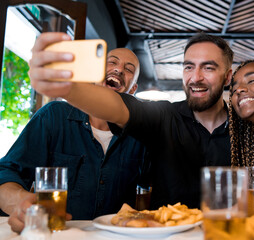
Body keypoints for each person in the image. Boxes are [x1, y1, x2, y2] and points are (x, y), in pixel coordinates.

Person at [29, 32, 234, 209]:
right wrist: (66, 87)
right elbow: (119, 107)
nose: (195, 77)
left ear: (227, 77)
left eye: (208, 68)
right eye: (189, 67)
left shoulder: (245, 130)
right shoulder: (163, 115)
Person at [0, 46, 148, 233]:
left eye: (129, 69)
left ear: (132, 89)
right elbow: (7, 171)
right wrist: (19, 202)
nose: (118, 69)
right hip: (55, 234)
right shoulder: (53, 116)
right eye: (112, 62)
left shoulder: (140, 135)